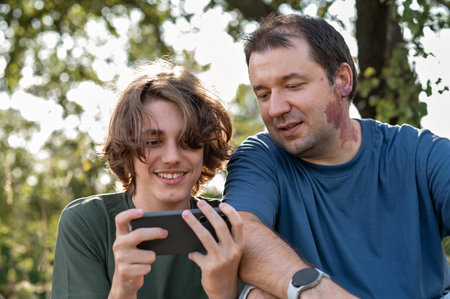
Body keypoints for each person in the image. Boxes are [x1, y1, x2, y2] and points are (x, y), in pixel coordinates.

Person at [223, 13, 450, 298]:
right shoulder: (261, 158)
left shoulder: (419, 154)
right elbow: (239, 233)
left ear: (342, 80)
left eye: (293, 86)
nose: (276, 108)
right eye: (264, 94)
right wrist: (315, 290)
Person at [51, 60, 245, 299]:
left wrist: (224, 293)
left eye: (189, 141)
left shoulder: (231, 226)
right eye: (153, 142)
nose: (172, 157)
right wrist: (123, 291)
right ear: (127, 149)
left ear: (205, 149)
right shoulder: (86, 223)